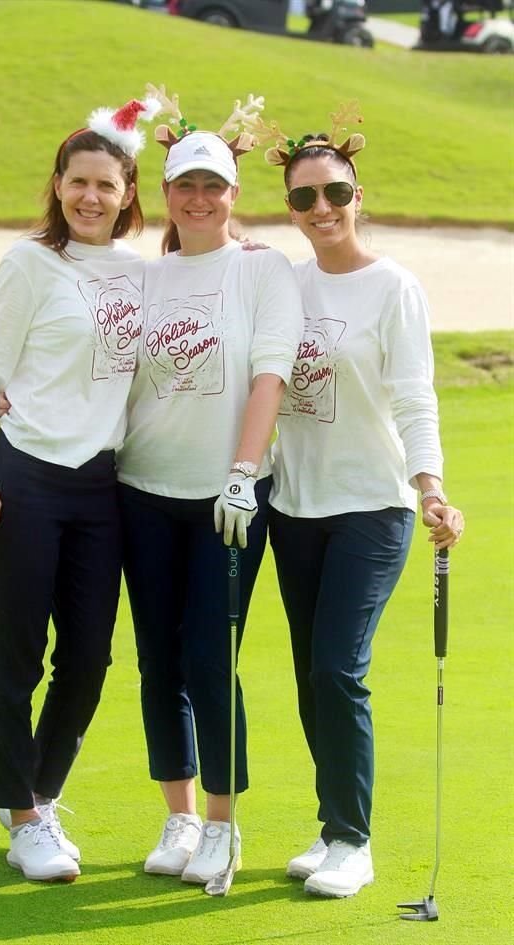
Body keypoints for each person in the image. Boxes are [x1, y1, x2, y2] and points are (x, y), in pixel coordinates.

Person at [263, 105, 465, 898]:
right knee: (314, 673)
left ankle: (354, 839)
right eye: (304, 199)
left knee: (340, 670)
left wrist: (432, 486)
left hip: (372, 507)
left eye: (334, 193)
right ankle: (331, 824)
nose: (321, 210)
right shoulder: (282, 281)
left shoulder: (394, 287)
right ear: (289, 208)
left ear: (357, 192)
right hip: (295, 506)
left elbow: (415, 398)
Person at [0, 95, 160, 882]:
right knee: (18, 651)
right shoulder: (28, 263)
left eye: (106, 186)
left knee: (90, 655)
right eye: (78, 182)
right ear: (57, 184)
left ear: (127, 194)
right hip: (28, 476)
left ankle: (42, 794)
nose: (90, 197)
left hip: (102, 485)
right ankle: (20, 815)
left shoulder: (141, 275)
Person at [115, 90, 303, 885]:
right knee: (158, 659)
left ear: (233, 194)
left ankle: (224, 822)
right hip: (142, 489)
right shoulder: (146, 278)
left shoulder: (262, 272)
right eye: (185, 185)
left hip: (227, 499)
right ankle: (181, 813)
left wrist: (240, 474)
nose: (199, 198)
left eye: (213, 186)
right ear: (166, 194)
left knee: (207, 653)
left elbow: (271, 375)